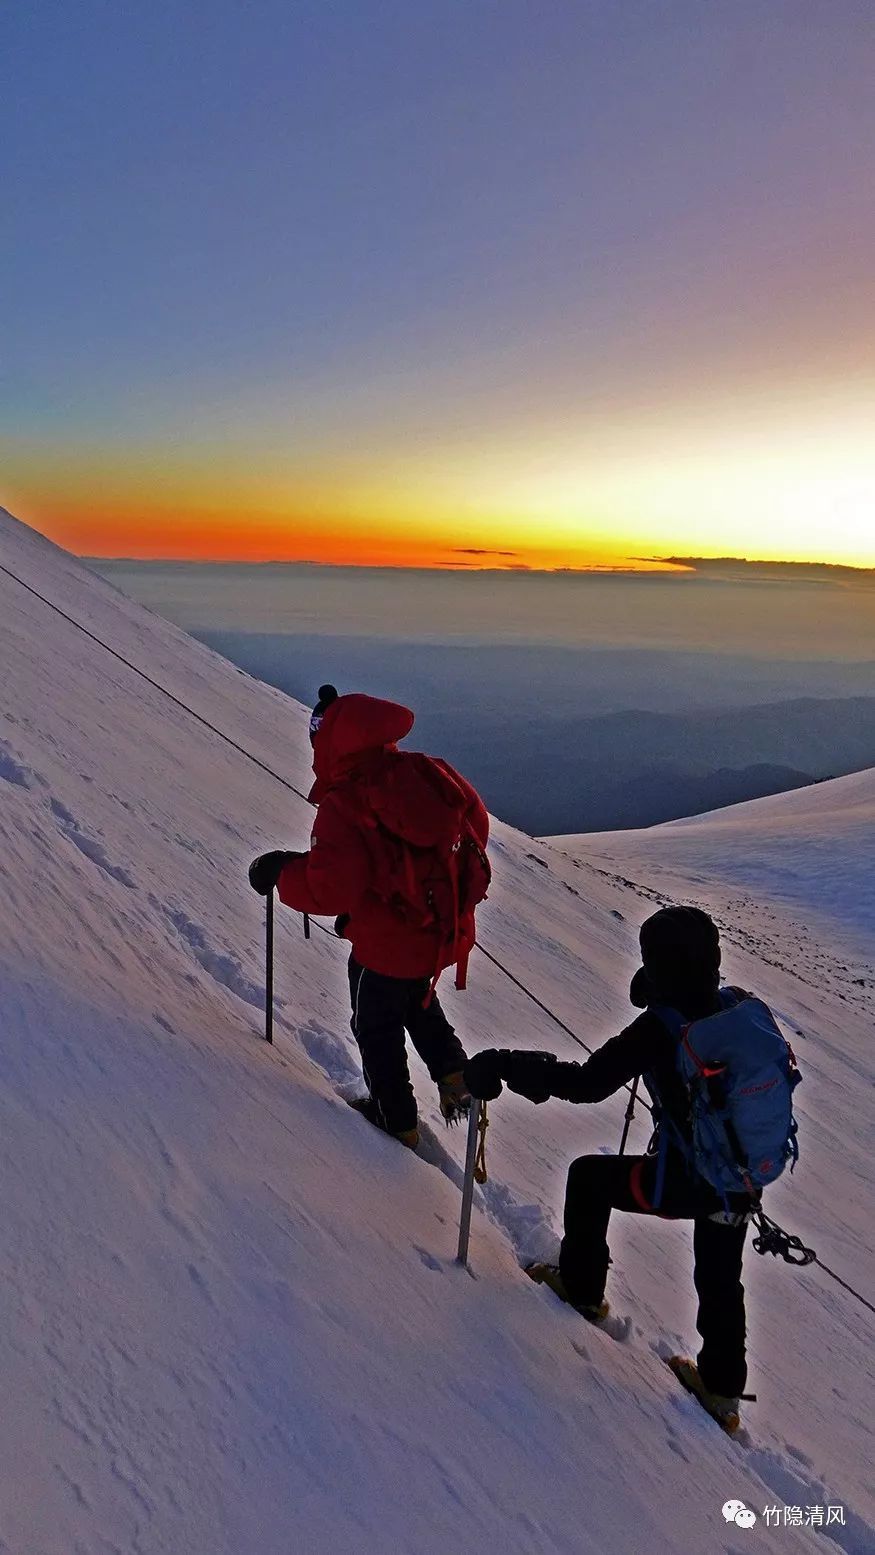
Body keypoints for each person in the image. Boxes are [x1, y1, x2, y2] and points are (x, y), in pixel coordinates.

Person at [463, 906, 777, 1434]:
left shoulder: (658, 1029)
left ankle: (582, 1289)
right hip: (741, 1177)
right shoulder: (738, 1008)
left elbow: (587, 1084)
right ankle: (722, 1391)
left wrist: (506, 1064)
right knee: (721, 1276)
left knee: (588, 1178)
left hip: (686, 1180)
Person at [249, 685, 490, 1150]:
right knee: (417, 999)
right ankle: (455, 1075)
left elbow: (331, 887)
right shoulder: (429, 772)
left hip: (383, 947)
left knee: (375, 1028)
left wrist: (281, 873)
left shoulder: (347, 802)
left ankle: (395, 1118)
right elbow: (476, 827)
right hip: (438, 932)